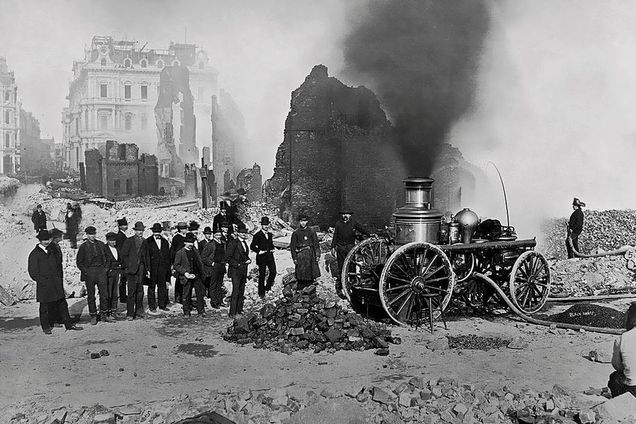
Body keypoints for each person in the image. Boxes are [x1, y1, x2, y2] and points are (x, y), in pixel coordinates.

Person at [28, 230, 82, 334]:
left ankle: (68, 324)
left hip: (56, 283)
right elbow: (33, 272)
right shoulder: (35, 254)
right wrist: (43, 281)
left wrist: (59, 278)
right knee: (44, 307)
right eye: (44, 240)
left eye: (48, 239)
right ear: (39, 240)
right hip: (45, 285)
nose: (46, 242)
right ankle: (46, 327)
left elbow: (58, 265)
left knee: (62, 304)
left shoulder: (52, 250)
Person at [331, 210, 370, 298]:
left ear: (350, 215)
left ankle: (352, 283)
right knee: (341, 266)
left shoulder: (353, 223)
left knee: (351, 265)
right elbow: (335, 236)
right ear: (342, 215)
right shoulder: (338, 224)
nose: (345, 216)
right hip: (341, 248)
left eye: (347, 214)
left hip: (350, 247)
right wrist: (333, 247)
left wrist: (369, 233)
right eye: (344, 214)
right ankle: (341, 285)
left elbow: (362, 229)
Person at [75, 226, 108, 325]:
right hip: (90, 272)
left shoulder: (101, 245)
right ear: (87, 235)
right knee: (91, 295)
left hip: (100, 271)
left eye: (93, 234)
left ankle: (103, 314)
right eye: (90, 234)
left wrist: (105, 269)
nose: (92, 236)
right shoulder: (83, 247)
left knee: (104, 294)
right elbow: (79, 262)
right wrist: (86, 271)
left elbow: (107, 258)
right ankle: (93, 315)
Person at [173, 232, 206, 317]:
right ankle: (186, 312)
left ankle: (201, 311)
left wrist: (202, 273)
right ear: (185, 243)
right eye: (189, 242)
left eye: (192, 242)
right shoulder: (180, 253)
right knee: (186, 294)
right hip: (187, 276)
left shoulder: (195, 251)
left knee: (200, 294)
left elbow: (199, 263)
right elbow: (176, 265)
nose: (190, 244)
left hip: (197, 275)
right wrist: (185, 273)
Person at [142, 223, 171, 313]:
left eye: (158, 231)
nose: (157, 233)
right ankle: (152, 306)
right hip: (152, 269)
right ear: (152, 231)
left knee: (162, 287)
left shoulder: (165, 241)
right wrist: (147, 270)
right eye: (155, 231)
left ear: (161, 231)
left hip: (162, 268)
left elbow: (167, 257)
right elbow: (145, 257)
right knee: (151, 288)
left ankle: (162, 305)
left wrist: (167, 269)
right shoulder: (147, 241)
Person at [609, 303, 636, 397]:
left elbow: (617, 366)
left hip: (633, 389)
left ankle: (620, 403)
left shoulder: (621, 339)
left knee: (615, 377)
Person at [121, 221, 146, 320]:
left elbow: (146, 256)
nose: (140, 232)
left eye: (142, 230)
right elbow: (123, 254)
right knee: (131, 292)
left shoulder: (144, 241)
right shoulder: (129, 240)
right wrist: (128, 266)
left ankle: (139, 311)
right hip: (131, 270)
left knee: (140, 291)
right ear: (135, 231)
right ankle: (130, 313)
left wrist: (146, 269)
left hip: (141, 269)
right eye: (138, 230)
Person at [225, 226, 251, 317]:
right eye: (242, 232)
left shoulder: (244, 242)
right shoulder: (233, 243)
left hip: (243, 270)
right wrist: (237, 264)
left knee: (241, 290)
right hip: (235, 270)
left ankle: (239, 310)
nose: (244, 234)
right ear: (238, 233)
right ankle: (232, 312)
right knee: (235, 291)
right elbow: (227, 257)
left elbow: (244, 255)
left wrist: (248, 260)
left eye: (245, 233)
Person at [290, 214, 321, 290]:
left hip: (310, 254)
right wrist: (294, 258)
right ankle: (301, 290)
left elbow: (316, 245)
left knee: (310, 273)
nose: (303, 223)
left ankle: (310, 290)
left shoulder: (311, 231)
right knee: (301, 274)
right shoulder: (296, 233)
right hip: (300, 255)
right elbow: (293, 247)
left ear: (307, 221)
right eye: (301, 221)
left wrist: (317, 255)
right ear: (299, 222)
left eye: (304, 221)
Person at [250, 217, 276, 298]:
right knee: (262, 274)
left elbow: (270, 244)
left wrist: (272, 248)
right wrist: (259, 251)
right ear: (261, 225)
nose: (266, 226)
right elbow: (252, 246)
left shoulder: (270, 234)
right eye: (264, 225)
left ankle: (268, 287)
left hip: (270, 256)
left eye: (267, 224)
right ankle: (261, 292)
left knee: (273, 272)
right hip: (261, 257)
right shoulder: (258, 235)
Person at [201, 229, 227, 309]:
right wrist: (211, 263)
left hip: (221, 265)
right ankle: (214, 302)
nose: (219, 237)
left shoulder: (223, 243)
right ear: (214, 235)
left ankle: (220, 301)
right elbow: (203, 257)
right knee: (213, 284)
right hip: (214, 266)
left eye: (220, 235)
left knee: (220, 284)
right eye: (217, 235)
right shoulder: (210, 244)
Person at [104, 232, 123, 321]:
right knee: (109, 293)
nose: (113, 242)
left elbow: (119, 260)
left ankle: (114, 311)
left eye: (114, 240)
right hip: (109, 273)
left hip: (116, 273)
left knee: (115, 292)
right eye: (111, 240)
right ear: (107, 241)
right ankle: (107, 312)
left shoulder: (117, 249)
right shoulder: (104, 249)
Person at [170, 222, 188, 303]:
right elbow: (173, 251)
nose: (185, 230)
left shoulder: (187, 237)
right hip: (179, 260)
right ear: (180, 229)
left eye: (185, 228)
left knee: (186, 279)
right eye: (183, 228)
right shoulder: (176, 238)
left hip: (186, 260)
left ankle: (185, 296)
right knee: (179, 279)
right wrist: (173, 262)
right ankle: (178, 297)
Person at [115, 218, 129, 303]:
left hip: (124, 260)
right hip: (123, 261)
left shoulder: (122, 235)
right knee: (123, 280)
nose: (126, 226)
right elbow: (120, 250)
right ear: (120, 226)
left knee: (123, 280)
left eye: (126, 225)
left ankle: (123, 296)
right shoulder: (120, 236)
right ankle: (123, 297)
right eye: (124, 225)